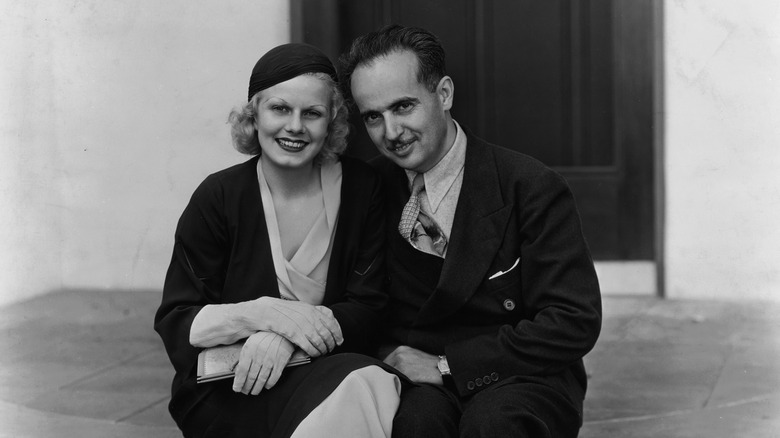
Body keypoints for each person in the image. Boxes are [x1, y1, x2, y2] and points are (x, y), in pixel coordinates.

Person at [339, 24, 603, 437]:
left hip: (522, 374)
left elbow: (573, 321)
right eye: (374, 116)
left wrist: (449, 366)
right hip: (415, 374)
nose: (391, 133)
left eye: (404, 106)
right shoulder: (369, 190)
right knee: (414, 425)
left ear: (443, 94)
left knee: (495, 426)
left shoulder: (529, 186)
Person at [154, 43, 402, 438]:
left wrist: (286, 339)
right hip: (236, 384)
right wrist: (264, 316)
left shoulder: (361, 187)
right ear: (254, 115)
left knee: (366, 383)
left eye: (313, 113)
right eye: (280, 109)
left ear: (332, 121)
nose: (295, 127)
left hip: (328, 368)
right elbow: (178, 321)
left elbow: (370, 307)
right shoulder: (218, 197)